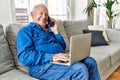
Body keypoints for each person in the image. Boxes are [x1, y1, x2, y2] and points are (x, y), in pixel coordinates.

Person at [16, 4, 101, 80]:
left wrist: (56, 32)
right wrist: (52, 57)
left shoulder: (49, 30)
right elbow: (24, 56)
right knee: (80, 69)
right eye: (41, 13)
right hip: (40, 67)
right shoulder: (25, 31)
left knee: (90, 61)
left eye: (46, 14)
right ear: (32, 14)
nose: (44, 16)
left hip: (59, 61)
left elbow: (62, 47)